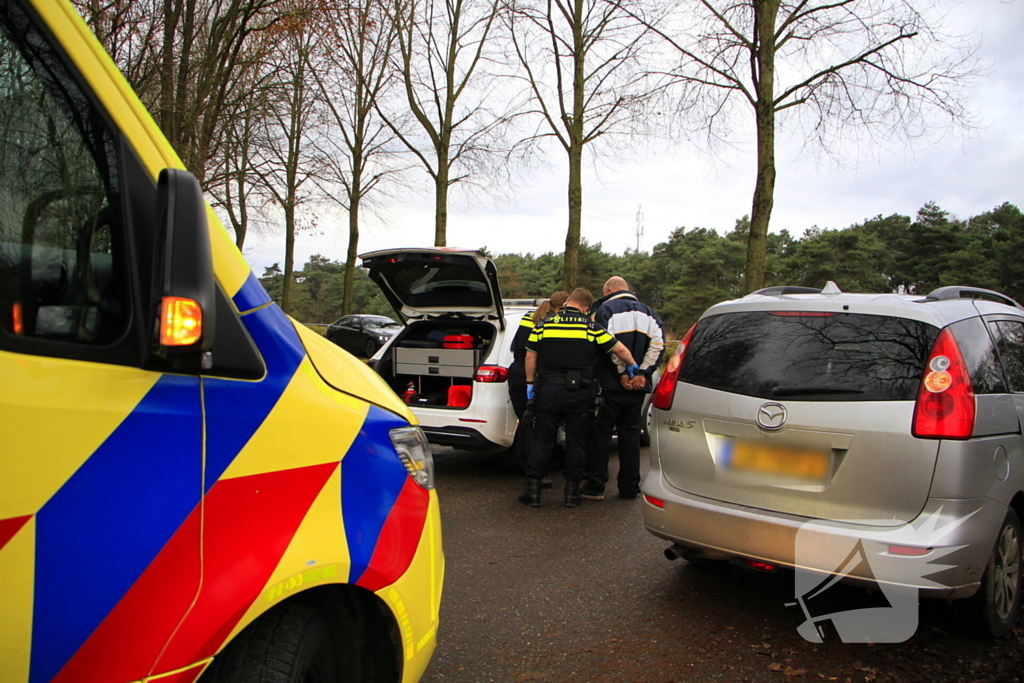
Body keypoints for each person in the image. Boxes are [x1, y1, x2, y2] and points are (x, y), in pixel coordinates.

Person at [519, 288, 639, 508]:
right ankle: (571, 494)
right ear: (586, 308)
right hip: (579, 393)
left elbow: (529, 356)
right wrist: (633, 366)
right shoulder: (590, 327)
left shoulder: (543, 325)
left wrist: (529, 384)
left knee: (542, 440)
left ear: (567, 303)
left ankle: (533, 492)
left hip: (548, 391)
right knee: (577, 442)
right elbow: (619, 349)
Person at [582, 276, 665, 501]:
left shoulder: (606, 309)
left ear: (610, 289)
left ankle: (595, 486)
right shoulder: (650, 313)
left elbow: (607, 344)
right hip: (637, 387)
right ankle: (629, 489)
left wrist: (622, 372)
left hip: (610, 384)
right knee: (630, 436)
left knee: (601, 435)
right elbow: (658, 345)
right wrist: (641, 373)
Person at [508, 291, 568, 486]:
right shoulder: (555, 322)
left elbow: (515, 346)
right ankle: (535, 472)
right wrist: (531, 381)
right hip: (533, 373)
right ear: (563, 306)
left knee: (526, 423)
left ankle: (526, 467)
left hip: (515, 371)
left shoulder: (528, 317)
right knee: (539, 426)